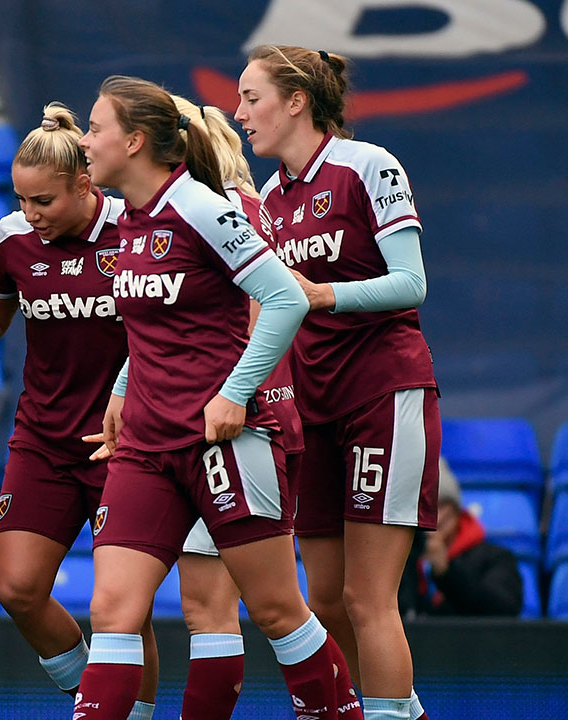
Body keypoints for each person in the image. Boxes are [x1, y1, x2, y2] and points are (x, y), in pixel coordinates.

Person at [72, 75, 359, 720]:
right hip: (146, 445)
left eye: (96, 128)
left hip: (224, 442)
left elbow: (285, 299)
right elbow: (151, 327)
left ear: (137, 140)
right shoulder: (128, 221)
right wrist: (121, 390)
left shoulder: (202, 207)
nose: (85, 141)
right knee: (112, 610)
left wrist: (235, 394)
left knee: (277, 610)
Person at [235, 45, 441, 720]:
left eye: (252, 98)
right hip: (312, 409)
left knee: (366, 598)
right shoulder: (268, 197)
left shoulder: (367, 165)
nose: (241, 115)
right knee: (323, 600)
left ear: (297, 101)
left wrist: (323, 295)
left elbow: (413, 282)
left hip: (382, 391)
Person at [0, 103, 161, 720]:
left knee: (123, 606)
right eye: (22, 200)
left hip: (126, 442)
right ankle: (98, 700)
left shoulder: (135, 232)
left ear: (85, 185)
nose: (30, 215)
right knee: (17, 587)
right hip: (42, 440)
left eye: (44, 202)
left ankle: (121, 711)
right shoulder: (12, 240)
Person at [162, 92, 312, 720]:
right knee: (230, 608)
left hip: (234, 428)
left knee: (262, 609)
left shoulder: (208, 210)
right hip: (258, 420)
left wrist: (232, 397)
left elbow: (262, 315)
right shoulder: (241, 203)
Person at [400, 459, 522, 617]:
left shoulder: (494, 558)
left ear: (457, 512)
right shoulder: (400, 558)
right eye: (425, 505)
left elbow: (505, 609)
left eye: (441, 505)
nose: (434, 515)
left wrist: (446, 572)